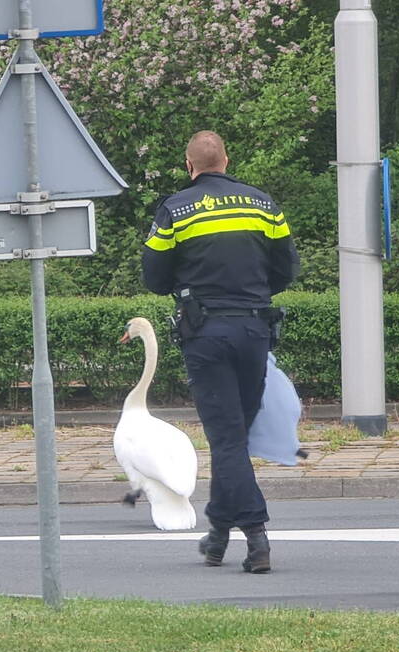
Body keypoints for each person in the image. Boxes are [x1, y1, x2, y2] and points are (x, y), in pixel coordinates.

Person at [141, 130, 299, 573]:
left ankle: (256, 535)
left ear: (189, 166)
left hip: (205, 333)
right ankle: (217, 534)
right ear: (226, 161)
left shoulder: (175, 209)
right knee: (234, 438)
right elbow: (287, 269)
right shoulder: (263, 204)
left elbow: (153, 277)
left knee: (227, 439)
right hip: (254, 330)